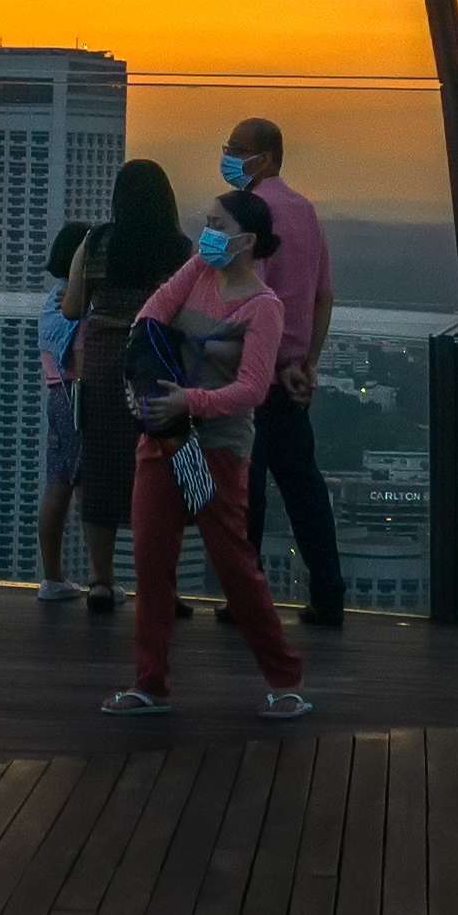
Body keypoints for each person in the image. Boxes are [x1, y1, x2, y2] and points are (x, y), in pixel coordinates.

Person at [103, 189, 312, 720]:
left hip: (213, 449)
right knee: (152, 563)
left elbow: (252, 390)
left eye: (218, 223)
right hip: (165, 438)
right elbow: (150, 317)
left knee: (233, 566)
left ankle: (284, 680)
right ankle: (150, 683)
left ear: (245, 239)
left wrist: (187, 398)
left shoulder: (264, 307)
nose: (207, 231)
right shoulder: (196, 271)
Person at [222, 116, 348, 626]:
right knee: (304, 492)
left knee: (244, 493)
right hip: (293, 377)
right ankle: (328, 593)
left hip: (254, 375)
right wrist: (308, 363)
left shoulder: (253, 214)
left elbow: (251, 300)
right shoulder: (307, 211)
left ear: (266, 157)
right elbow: (324, 296)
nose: (229, 155)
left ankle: (246, 598)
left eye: (238, 149)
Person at [53, 161, 179, 614]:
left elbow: (71, 308)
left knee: (101, 469)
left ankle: (101, 581)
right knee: (163, 473)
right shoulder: (179, 249)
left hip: (105, 362)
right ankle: (162, 585)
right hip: (159, 363)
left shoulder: (97, 241)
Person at [31, 220, 90, 600]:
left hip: (57, 399)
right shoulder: (80, 307)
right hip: (80, 400)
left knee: (57, 485)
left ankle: (53, 577)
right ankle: (100, 577)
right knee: (87, 488)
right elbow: (83, 364)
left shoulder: (52, 301)